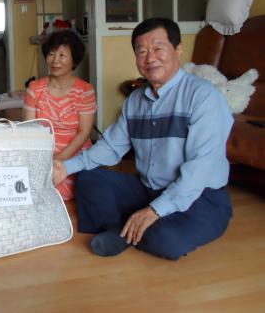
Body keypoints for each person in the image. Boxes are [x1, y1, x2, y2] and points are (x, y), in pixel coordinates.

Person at [52, 18, 233, 260]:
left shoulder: (203, 96)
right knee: (88, 178)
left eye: (158, 48)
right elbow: (110, 147)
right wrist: (66, 167)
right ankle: (121, 229)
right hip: (148, 188)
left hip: (201, 195)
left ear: (178, 50)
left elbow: (200, 169)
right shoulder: (135, 100)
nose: (150, 58)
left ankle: (133, 227)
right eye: (142, 51)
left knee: (167, 240)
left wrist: (155, 210)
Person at [24, 29, 97, 200]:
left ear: (74, 60)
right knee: (27, 191)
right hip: (43, 153)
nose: (55, 60)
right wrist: (43, 160)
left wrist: (58, 160)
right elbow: (29, 130)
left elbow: (84, 133)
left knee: (78, 190)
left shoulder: (85, 90)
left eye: (62, 55)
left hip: (75, 154)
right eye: (51, 54)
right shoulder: (35, 88)